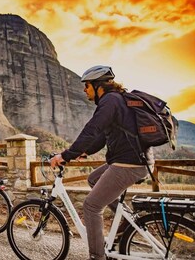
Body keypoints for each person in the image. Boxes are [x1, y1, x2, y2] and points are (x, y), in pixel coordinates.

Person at [50, 65, 153, 260]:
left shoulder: (110, 100)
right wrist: (84, 151)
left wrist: (66, 155)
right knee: (94, 178)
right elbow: (102, 137)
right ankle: (126, 220)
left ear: (98, 86)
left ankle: (97, 257)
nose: (84, 90)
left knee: (91, 206)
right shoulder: (117, 100)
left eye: (86, 85)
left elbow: (92, 129)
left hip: (129, 163)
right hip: (134, 161)